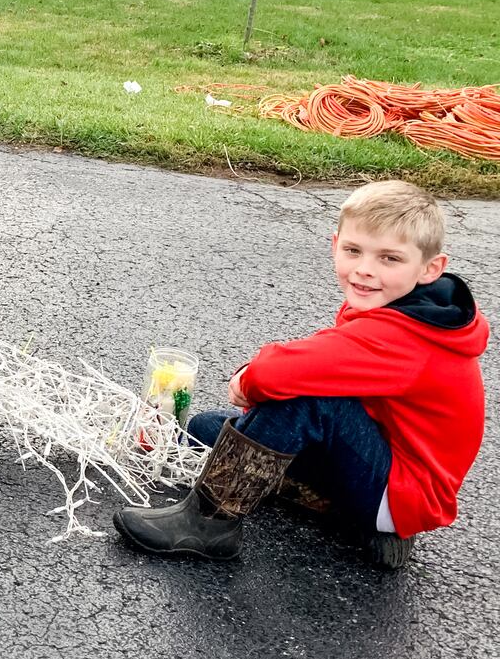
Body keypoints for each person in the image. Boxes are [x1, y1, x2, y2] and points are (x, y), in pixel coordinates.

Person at [115, 181, 489, 569]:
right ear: (335, 244)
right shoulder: (412, 308)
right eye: (353, 250)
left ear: (430, 268)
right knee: (208, 429)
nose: (364, 269)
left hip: (398, 493)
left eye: (389, 259)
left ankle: (210, 523)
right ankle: (336, 510)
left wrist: (248, 378)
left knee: (306, 397)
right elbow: (328, 357)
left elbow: (281, 374)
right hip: (377, 460)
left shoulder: (410, 338)